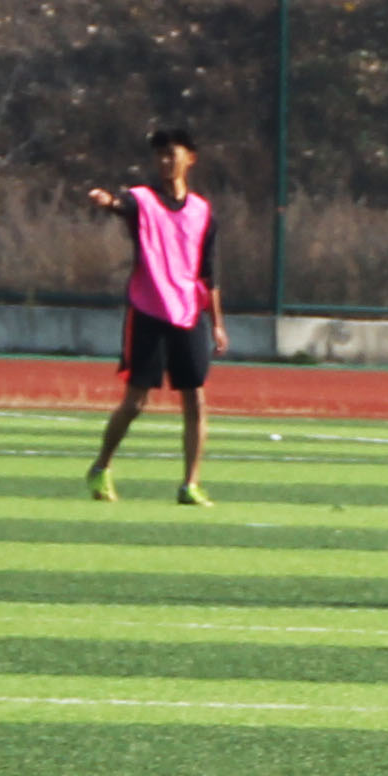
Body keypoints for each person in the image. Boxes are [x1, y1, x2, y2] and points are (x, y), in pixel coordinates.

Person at [82, 127, 220, 507]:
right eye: (159, 154)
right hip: (149, 311)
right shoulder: (143, 200)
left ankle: (190, 484)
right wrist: (108, 202)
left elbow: (208, 273)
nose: (164, 161)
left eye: (171, 153)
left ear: (190, 159)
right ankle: (101, 465)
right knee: (136, 402)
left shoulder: (202, 211)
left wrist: (218, 324)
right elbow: (122, 205)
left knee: (196, 400)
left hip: (189, 314)